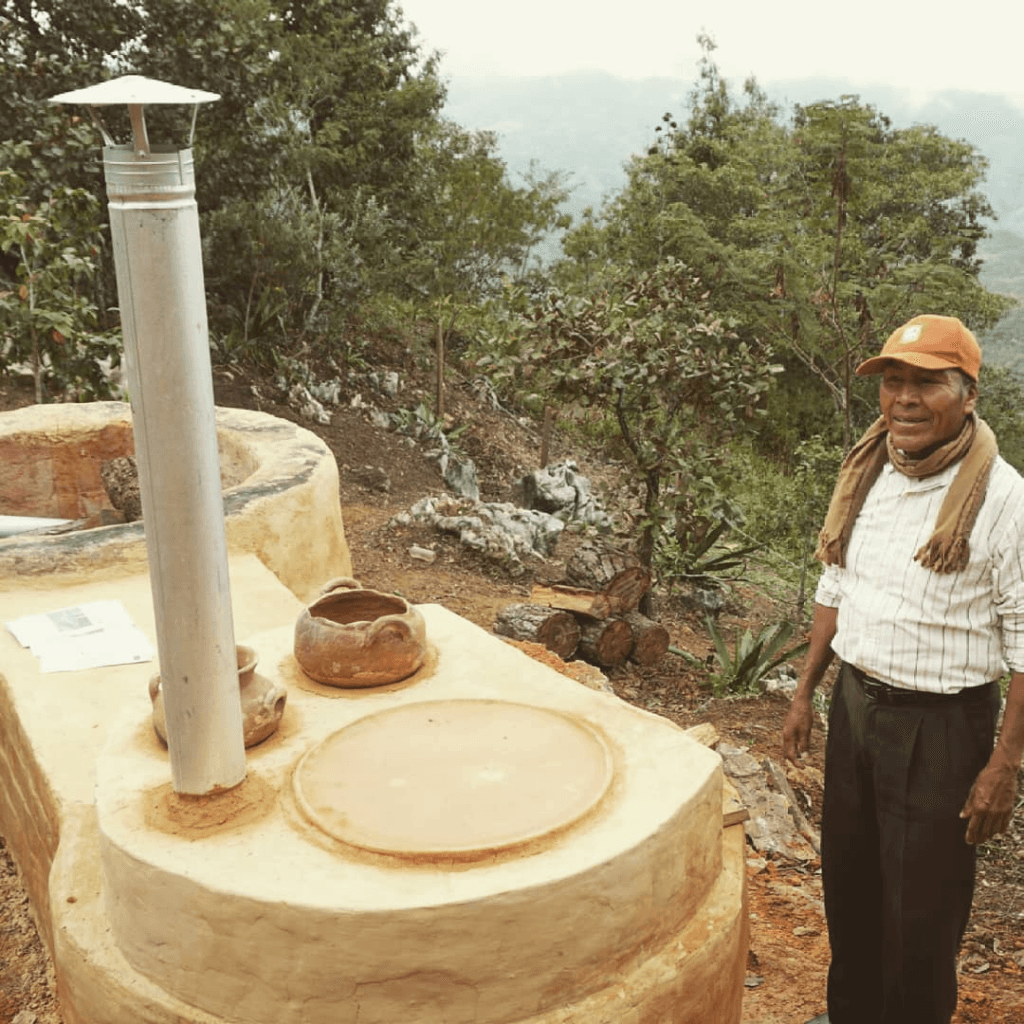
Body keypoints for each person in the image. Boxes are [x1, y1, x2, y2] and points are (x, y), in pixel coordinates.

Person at [782, 314, 1024, 1024]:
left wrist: (1005, 766)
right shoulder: (870, 469)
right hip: (856, 712)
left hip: (941, 729)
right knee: (850, 886)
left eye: (927, 382)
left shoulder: (1005, 501)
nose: (905, 399)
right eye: (894, 381)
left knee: (921, 910)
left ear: (968, 393)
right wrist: (805, 694)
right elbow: (838, 584)